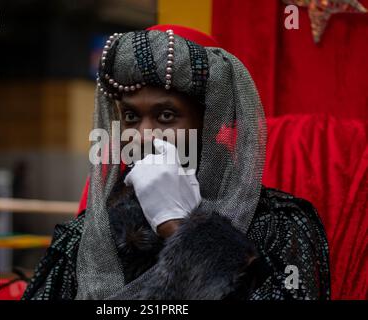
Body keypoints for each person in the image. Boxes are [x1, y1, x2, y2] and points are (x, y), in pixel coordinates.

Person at [22, 25, 330, 300]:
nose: (143, 136)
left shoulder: (276, 225)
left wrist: (181, 227)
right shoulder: (89, 234)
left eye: (166, 116)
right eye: (131, 117)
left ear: (208, 124)